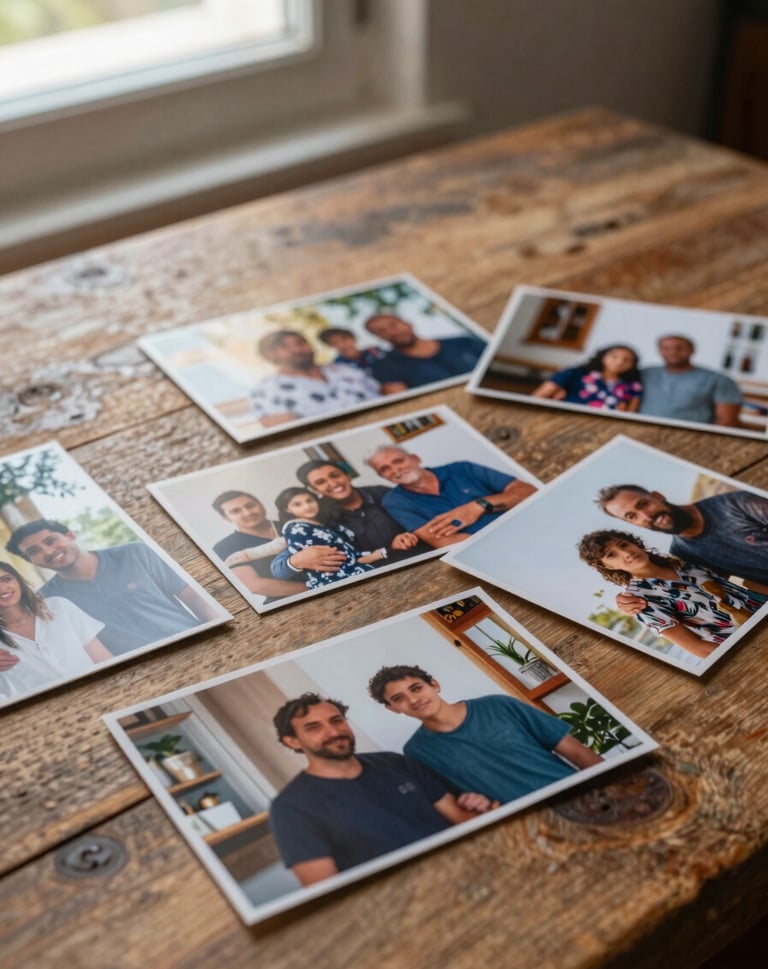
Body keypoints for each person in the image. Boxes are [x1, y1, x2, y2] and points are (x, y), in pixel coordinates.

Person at [269, 693, 494, 886]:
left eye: (336, 720)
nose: (333, 732)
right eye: (313, 727)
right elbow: (327, 892)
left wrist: (482, 810)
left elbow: (460, 818)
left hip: (472, 868)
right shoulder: (290, 808)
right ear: (293, 742)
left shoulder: (395, 762)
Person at [368, 665, 602, 803]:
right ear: (392, 708)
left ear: (434, 684)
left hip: (582, 798)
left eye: (416, 688)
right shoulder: (415, 753)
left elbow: (577, 752)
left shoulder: (499, 705)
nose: (413, 700)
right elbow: (461, 805)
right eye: (398, 698)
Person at [7, 520, 220, 656]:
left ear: (70, 535)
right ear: (30, 561)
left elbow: (196, 600)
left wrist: (217, 636)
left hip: (197, 643)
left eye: (51, 540)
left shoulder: (136, 553)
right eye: (34, 551)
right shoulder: (46, 600)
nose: (48, 551)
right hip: (141, 671)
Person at [578, 530, 767, 659]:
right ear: (607, 567)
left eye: (624, 544)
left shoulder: (683, 561)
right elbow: (697, 648)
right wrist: (751, 655)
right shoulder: (641, 601)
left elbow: (738, 582)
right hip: (747, 643)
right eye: (612, 555)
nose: (625, 553)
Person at [269, 460, 426, 583]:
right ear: (314, 490)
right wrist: (296, 561)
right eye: (320, 482)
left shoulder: (381, 493)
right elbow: (278, 569)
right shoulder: (316, 518)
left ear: (347, 475)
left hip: (415, 562)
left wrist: (409, 535)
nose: (332, 483)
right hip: (372, 578)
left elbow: (425, 516)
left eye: (334, 475)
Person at [596, 484, 768, 588]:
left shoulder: (737, 503)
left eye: (643, 504)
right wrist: (628, 601)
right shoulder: (682, 553)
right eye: (632, 516)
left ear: (657, 496)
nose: (646, 516)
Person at [364, 446, 537, 548]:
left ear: (416, 458)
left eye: (398, 461)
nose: (395, 470)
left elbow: (528, 491)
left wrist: (477, 506)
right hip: (493, 549)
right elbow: (441, 542)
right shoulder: (394, 501)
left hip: (531, 528)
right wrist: (502, 545)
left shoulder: (462, 468)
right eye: (384, 469)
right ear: (382, 476)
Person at [0, 560, 113, 702]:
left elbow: (102, 657)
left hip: (101, 691)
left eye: (6, 579)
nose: (2, 587)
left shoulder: (59, 606)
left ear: (18, 581)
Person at [250, 330, 381, 428]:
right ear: (270, 355)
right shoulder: (265, 390)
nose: (297, 349)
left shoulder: (345, 370)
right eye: (284, 347)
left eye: (300, 343)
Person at [274, 487, 381, 589]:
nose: (307, 506)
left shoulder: (321, 523)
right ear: (287, 509)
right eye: (297, 504)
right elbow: (324, 559)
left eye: (309, 500)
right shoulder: (296, 529)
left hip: (352, 568)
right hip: (335, 578)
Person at [210, 490, 306, 600]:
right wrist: (316, 587)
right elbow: (255, 586)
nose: (247, 513)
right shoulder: (225, 547)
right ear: (226, 518)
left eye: (250, 506)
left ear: (261, 504)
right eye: (236, 511)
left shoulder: (295, 525)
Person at [363, 314, 486, 393]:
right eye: (381, 331)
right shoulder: (384, 367)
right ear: (378, 337)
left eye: (393, 325)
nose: (392, 332)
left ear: (408, 324)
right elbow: (402, 401)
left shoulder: (463, 342)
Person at [638, 334, 742, 426]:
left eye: (679, 348)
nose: (673, 352)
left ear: (692, 350)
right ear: (659, 351)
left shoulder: (719, 380)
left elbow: (727, 421)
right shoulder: (645, 373)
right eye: (666, 348)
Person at [531, 345, 642, 412]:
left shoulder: (633, 386)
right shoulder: (575, 373)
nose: (619, 362)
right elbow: (538, 397)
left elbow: (630, 413)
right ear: (603, 356)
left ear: (633, 365)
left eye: (627, 360)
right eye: (614, 356)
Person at [317, 327, 385, 374]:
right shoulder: (337, 366)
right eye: (334, 343)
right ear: (330, 346)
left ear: (353, 338)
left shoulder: (375, 351)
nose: (342, 345)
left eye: (344, 339)